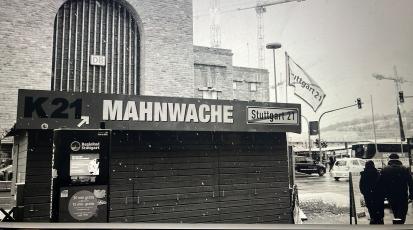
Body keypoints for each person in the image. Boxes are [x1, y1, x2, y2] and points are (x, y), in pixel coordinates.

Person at [379, 153, 413, 224]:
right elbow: (410, 183)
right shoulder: (404, 169)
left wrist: (383, 195)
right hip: (402, 195)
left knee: (395, 211)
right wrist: (411, 194)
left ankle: (397, 223)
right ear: (398, 159)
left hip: (390, 195)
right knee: (402, 213)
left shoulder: (385, 170)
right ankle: (400, 224)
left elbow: (381, 184)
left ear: (389, 159)